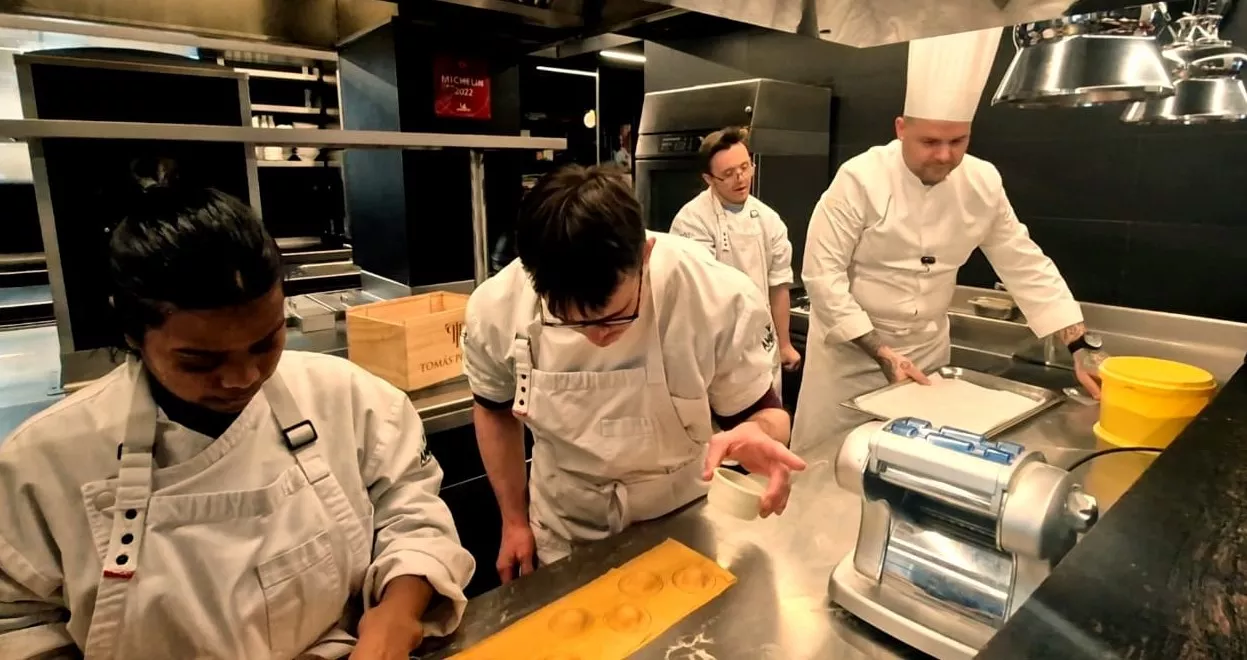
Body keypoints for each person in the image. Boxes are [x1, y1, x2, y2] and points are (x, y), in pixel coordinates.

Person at [0, 187, 474, 660]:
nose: (243, 378)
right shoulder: (43, 460)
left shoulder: (346, 396)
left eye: (266, 343)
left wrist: (394, 618)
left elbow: (412, 516)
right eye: (199, 362)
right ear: (131, 333)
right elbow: (19, 620)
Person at [463, 165, 807, 580]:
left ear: (644, 255)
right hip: (566, 527)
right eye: (573, 323)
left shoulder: (715, 295)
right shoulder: (495, 309)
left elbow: (766, 416)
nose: (600, 338)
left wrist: (760, 433)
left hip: (685, 521)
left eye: (616, 317)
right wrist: (514, 520)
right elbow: (494, 409)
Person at [793, 28, 1107, 451]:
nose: (944, 155)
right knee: (831, 468)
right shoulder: (859, 179)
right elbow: (821, 276)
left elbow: (1023, 261)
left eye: (957, 140)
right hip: (850, 357)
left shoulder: (983, 182)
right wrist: (881, 351)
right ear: (901, 128)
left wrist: (1080, 345)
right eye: (930, 141)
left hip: (926, 356)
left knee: (910, 465)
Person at [669, 127, 800, 398]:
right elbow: (700, 295)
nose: (740, 179)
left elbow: (778, 286)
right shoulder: (692, 221)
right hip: (713, 348)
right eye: (728, 174)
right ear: (709, 178)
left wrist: (784, 343)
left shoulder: (769, 220)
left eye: (744, 167)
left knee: (766, 426)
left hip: (762, 344)